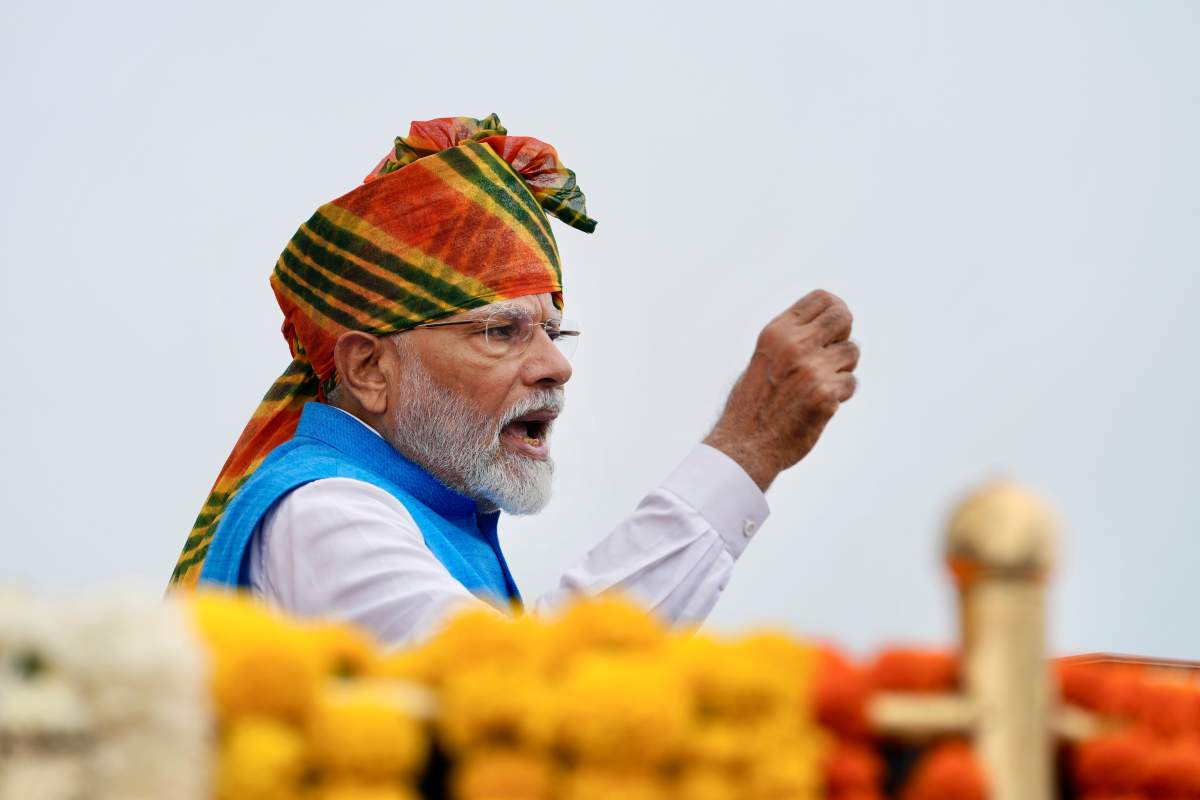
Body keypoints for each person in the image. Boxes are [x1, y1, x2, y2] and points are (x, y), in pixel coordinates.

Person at [171, 114, 859, 647]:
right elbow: (522, 705)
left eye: (553, 332)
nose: (557, 365)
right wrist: (744, 449)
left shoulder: (417, 512)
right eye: (501, 331)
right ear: (368, 369)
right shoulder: (327, 513)